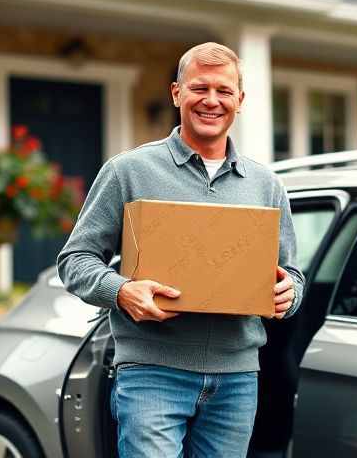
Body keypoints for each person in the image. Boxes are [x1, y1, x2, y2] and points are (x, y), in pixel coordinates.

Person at [57, 42, 304, 458]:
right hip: (153, 374)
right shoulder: (128, 171)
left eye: (224, 91)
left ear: (240, 101)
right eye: (199, 88)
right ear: (176, 93)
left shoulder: (266, 185)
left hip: (236, 379)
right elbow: (74, 260)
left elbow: (291, 274)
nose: (212, 101)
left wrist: (290, 294)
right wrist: (121, 291)